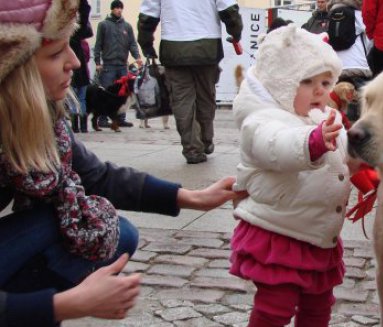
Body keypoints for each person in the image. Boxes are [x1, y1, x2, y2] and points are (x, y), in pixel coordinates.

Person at [0, 0, 243, 324]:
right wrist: (64, 305)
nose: (74, 62)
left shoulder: (42, 120)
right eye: (57, 53)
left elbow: (98, 176)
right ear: (15, 67)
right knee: (70, 223)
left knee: (107, 229)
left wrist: (193, 198)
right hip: (197, 48)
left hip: (178, 48)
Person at [230, 25, 350, 326]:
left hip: (318, 232)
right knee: (275, 307)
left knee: (319, 306)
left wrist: (360, 165)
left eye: (325, 81)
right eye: (307, 81)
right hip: (278, 230)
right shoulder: (261, 119)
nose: (320, 90)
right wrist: (312, 142)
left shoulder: (321, 117)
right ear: (280, 82)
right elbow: (276, 146)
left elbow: (342, 155)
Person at [138, 0, 244, 164]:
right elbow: (229, 9)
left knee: (181, 101)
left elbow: (148, 15)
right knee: (206, 97)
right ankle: (205, 139)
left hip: (173, 47)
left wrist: (146, 44)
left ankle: (193, 148)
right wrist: (235, 32)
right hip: (207, 46)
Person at [93, 0, 142, 128]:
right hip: (108, 65)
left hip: (122, 65)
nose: (119, 10)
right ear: (112, 10)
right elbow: (98, 44)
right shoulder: (103, 25)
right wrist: (97, 62)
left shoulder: (127, 26)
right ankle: (102, 119)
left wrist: (137, 56)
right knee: (106, 92)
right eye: (116, 8)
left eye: (120, 8)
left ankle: (120, 118)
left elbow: (132, 43)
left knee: (123, 92)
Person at [69, 0, 94, 134]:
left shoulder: (69, 39)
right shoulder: (80, 42)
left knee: (74, 101)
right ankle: (83, 127)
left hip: (74, 75)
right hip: (83, 74)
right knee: (82, 100)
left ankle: (75, 127)